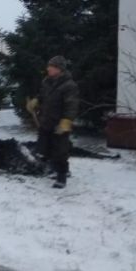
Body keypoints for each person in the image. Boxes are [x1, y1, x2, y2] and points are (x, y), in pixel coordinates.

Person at [26, 56, 79, 189]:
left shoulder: (69, 85)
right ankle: (54, 168)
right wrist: (36, 102)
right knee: (45, 148)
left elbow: (72, 105)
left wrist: (66, 121)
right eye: (49, 66)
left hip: (59, 124)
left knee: (60, 151)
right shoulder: (47, 82)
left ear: (59, 69)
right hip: (46, 121)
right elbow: (42, 96)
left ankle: (61, 176)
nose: (48, 68)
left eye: (52, 66)